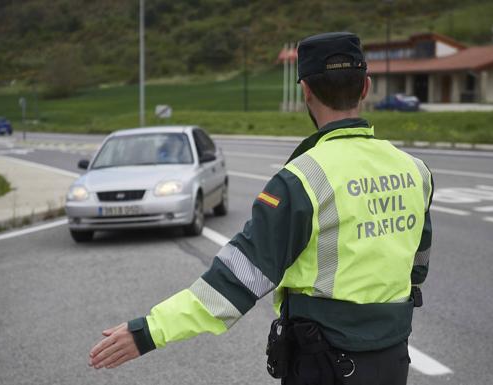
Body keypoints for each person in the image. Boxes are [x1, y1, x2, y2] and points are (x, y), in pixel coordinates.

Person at [88, 32, 433, 385]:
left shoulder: (300, 180)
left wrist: (148, 332)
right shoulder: (415, 170)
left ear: (306, 92)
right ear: (365, 88)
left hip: (324, 363)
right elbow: (417, 266)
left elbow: (234, 283)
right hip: (392, 358)